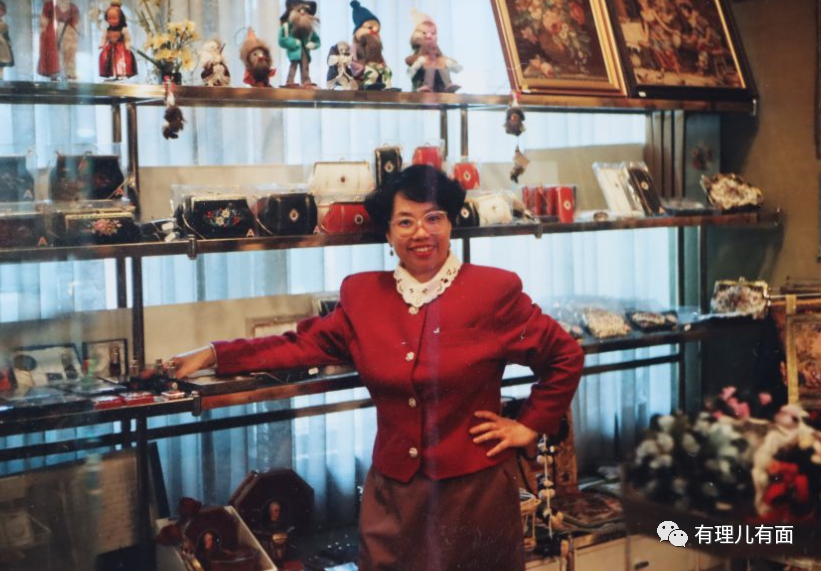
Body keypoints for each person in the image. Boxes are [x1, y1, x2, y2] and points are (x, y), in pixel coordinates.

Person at [170, 165, 584, 571]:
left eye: (433, 218)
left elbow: (565, 356)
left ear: (450, 224)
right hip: (394, 502)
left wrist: (529, 425)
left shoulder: (492, 291)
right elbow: (299, 345)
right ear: (387, 233)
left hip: (475, 497)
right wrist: (214, 354)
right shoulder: (364, 296)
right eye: (405, 221)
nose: (421, 232)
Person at [98, 1, 138, 80]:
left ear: (120, 18)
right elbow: (104, 38)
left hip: (120, 49)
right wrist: (102, 44)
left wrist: (127, 45)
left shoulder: (123, 29)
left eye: (114, 18)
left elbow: (127, 39)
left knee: (121, 60)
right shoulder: (107, 30)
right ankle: (111, 74)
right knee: (106, 58)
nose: (112, 21)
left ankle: (121, 74)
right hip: (110, 49)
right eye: (109, 18)